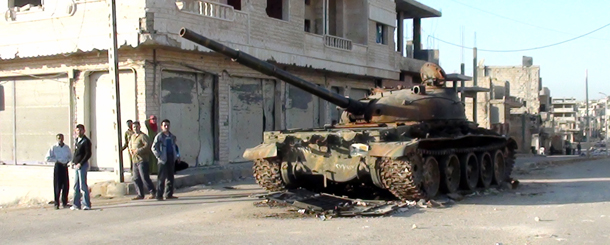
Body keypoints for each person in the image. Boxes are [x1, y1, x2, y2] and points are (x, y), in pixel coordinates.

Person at [152, 119, 180, 201]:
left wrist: (177, 156)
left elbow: (175, 147)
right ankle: (159, 195)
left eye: (168, 125)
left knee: (170, 177)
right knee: (161, 178)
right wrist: (159, 156)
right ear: (161, 127)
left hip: (171, 158)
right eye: (165, 125)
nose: (166, 127)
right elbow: (154, 148)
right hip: (163, 159)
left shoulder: (172, 136)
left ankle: (169, 194)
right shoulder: (159, 136)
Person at [128, 121, 156, 200]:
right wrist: (131, 150)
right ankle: (140, 194)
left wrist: (139, 150)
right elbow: (130, 144)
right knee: (136, 178)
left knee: (144, 177)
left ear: (139, 127)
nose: (135, 128)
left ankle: (153, 191)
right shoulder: (132, 136)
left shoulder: (143, 136)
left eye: (137, 127)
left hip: (142, 160)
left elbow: (147, 145)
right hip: (135, 160)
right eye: (134, 127)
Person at [45, 133, 72, 209]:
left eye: (61, 138)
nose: (60, 139)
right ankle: (56, 203)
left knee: (65, 185)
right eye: (59, 138)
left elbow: (70, 157)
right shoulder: (54, 147)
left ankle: (64, 202)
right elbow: (47, 158)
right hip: (58, 166)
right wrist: (56, 161)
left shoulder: (66, 148)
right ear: (57, 139)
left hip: (64, 166)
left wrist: (67, 161)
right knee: (57, 185)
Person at [71, 124, 92, 210]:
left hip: (82, 165)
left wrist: (81, 163)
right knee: (76, 185)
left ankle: (86, 204)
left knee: (83, 185)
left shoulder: (86, 141)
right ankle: (76, 204)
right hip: (76, 165)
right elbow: (76, 153)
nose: (79, 132)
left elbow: (88, 154)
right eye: (77, 130)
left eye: (80, 130)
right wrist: (73, 162)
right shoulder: (76, 140)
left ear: (84, 131)